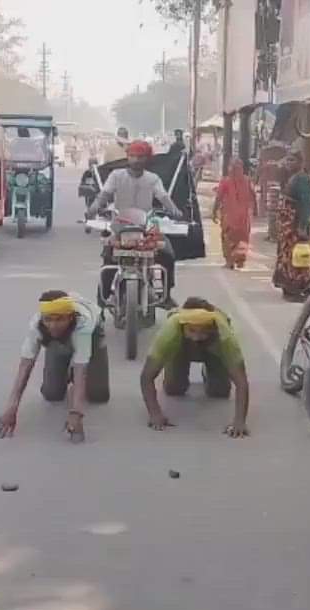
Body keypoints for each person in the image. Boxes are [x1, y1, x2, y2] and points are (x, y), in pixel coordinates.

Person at [0, 291, 109, 443]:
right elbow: (25, 365)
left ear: (71, 317)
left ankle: (69, 372)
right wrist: (11, 408)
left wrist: (76, 413)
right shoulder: (37, 325)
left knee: (98, 396)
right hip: (56, 340)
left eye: (60, 319)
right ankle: (62, 368)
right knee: (52, 394)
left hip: (92, 334)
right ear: (43, 318)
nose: (53, 325)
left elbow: (81, 369)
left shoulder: (83, 324)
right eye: (48, 320)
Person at [85, 140, 184, 306]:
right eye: (133, 156)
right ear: (127, 157)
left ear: (147, 159)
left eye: (140, 157)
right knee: (109, 258)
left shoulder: (153, 179)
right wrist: (92, 210)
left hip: (146, 226)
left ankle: (166, 295)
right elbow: (104, 196)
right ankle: (101, 302)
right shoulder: (116, 176)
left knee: (167, 255)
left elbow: (163, 197)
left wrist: (174, 210)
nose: (136, 160)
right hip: (120, 226)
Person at [140, 297, 251, 438]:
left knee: (219, 392)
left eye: (203, 331)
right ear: (182, 325)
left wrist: (240, 421)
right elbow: (146, 377)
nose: (197, 337)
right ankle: (177, 367)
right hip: (180, 348)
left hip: (214, 350)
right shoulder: (169, 332)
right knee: (174, 389)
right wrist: (155, 414)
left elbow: (241, 382)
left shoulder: (225, 336)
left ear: (213, 327)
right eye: (192, 330)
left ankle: (210, 370)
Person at [272, 151, 310, 301]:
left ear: (300, 163)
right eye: (288, 160)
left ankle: (296, 288)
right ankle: (288, 287)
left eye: (292, 160)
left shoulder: (302, 179)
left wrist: (302, 226)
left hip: (295, 225)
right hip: (287, 227)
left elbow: (305, 205)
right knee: (287, 255)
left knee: (296, 256)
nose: (289, 163)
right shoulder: (292, 178)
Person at [213, 159, 256, 270]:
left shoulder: (226, 181)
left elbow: (218, 197)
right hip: (243, 218)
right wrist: (255, 211)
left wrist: (214, 211)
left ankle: (230, 261)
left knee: (229, 239)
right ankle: (239, 261)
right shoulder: (247, 180)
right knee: (242, 239)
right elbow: (253, 196)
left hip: (230, 217)